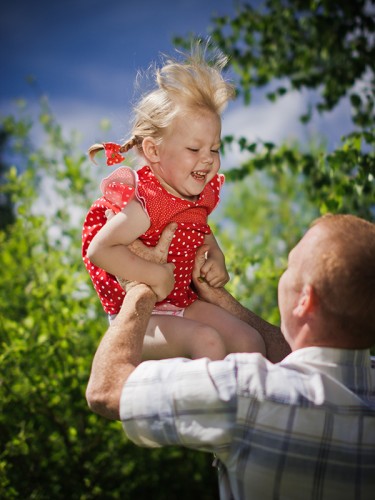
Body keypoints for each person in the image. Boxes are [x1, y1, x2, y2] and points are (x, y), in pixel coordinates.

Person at [86, 214, 375, 500]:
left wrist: (141, 288)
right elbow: (302, 360)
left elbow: (106, 388)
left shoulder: (247, 394)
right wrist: (223, 301)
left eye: (289, 268)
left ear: (305, 301)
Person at [82, 44, 266, 360]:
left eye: (215, 149)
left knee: (250, 342)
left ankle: (242, 406)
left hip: (181, 303)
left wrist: (216, 258)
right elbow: (100, 250)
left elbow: (201, 231)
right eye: (194, 150)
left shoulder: (197, 196)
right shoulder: (146, 202)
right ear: (153, 151)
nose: (208, 160)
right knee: (207, 342)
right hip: (142, 318)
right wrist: (153, 275)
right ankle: (205, 408)